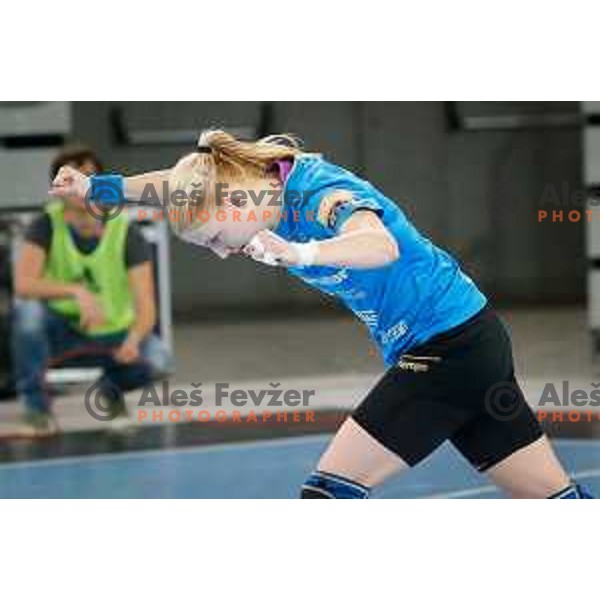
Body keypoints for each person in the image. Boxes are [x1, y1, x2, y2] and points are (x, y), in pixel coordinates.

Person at [50, 131, 593, 499]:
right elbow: (170, 185)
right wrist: (96, 187)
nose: (220, 251)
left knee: (327, 495)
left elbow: (378, 245)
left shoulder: (320, 194)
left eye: (215, 237)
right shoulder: (239, 184)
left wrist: (301, 252)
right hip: (471, 341)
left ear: (233, 203)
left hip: (449, 348)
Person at [12, 145, 174, 436]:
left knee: (159, 357)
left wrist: (134, 340)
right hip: (63, 333)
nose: (79, 187)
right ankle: (37, 409)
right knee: (27, 316)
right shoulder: (45, 225)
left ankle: (109, 394)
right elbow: (24, 285)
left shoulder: (125, 232)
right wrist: (77, 291)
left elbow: (147, 305)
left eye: (87, 177)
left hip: (113, 335)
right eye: (71, 179)